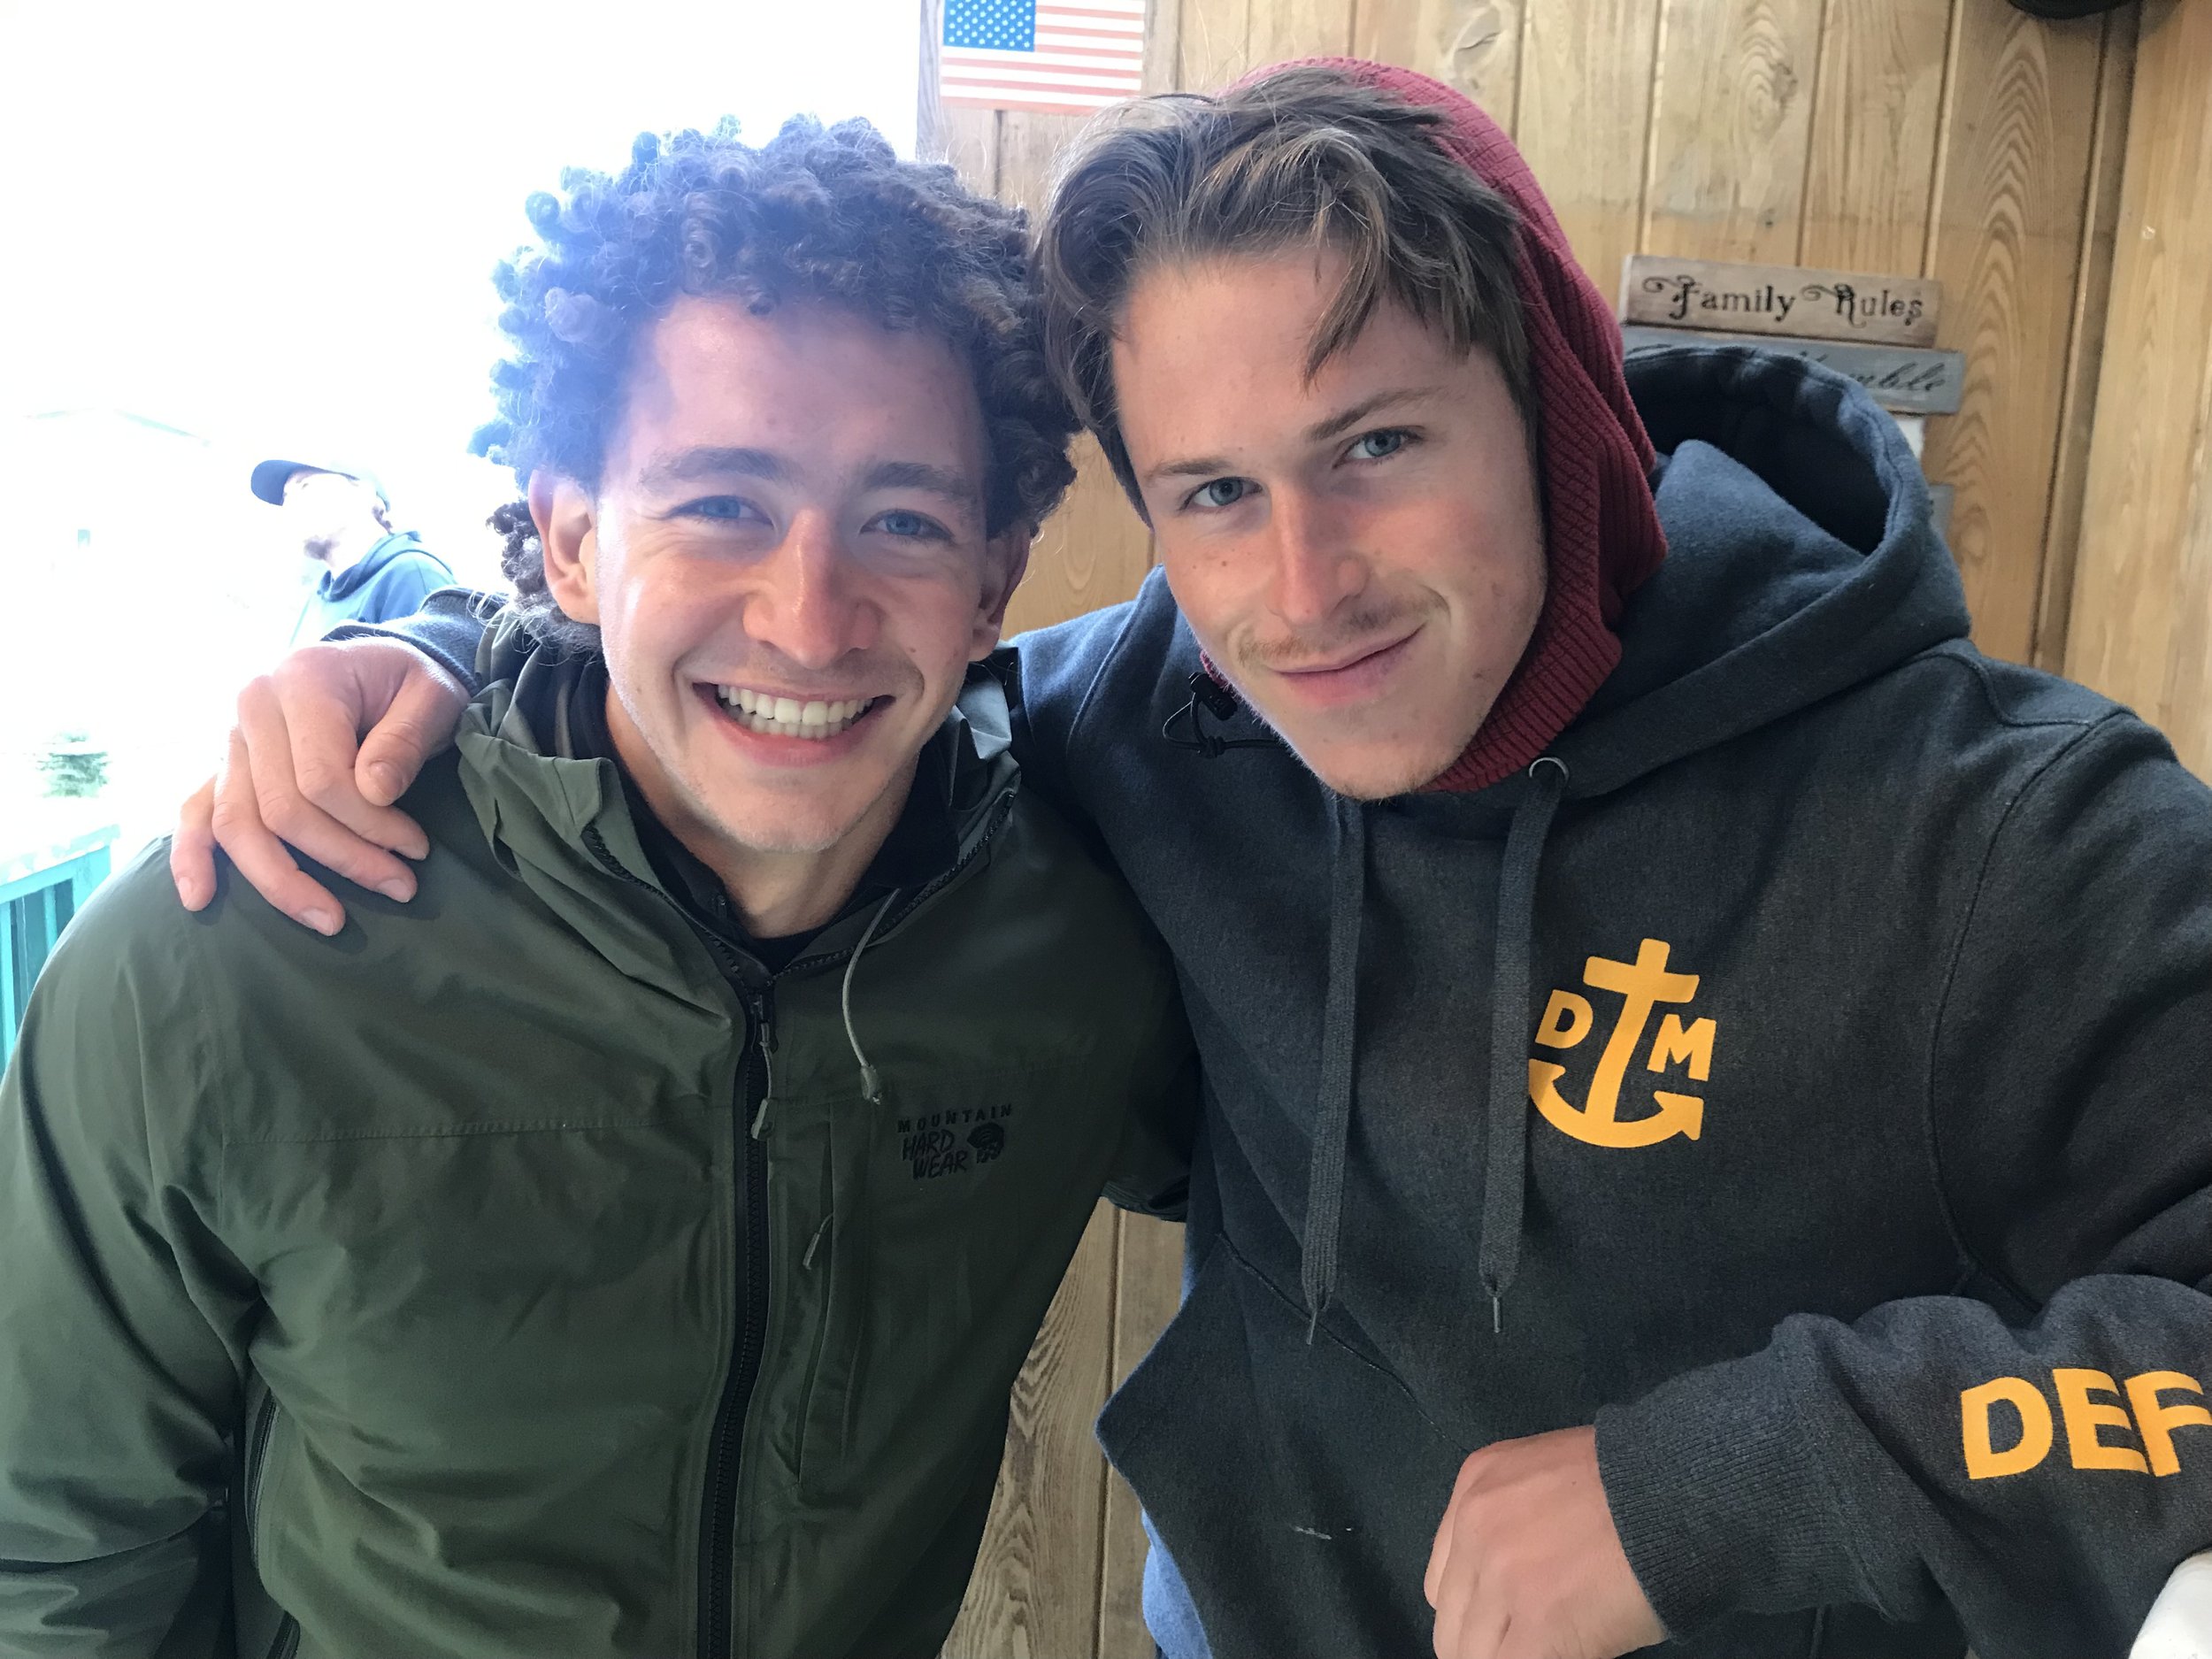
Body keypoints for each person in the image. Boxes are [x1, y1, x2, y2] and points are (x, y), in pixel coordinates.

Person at [169, 62, 2212, 1659]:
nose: (1299, 587)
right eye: (1212, 493)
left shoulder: (2008, 831)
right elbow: (801, 680)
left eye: (1376, 446)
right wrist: (431, 649)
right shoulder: (1152, 717)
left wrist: (1714, 1484)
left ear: (1560, 415)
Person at [0, 118, 1191, 1659]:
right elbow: (49, 1557)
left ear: (993, 579)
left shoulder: (1080, 939)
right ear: (570, 539)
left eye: (902, 520)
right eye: (722, 505)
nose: (811, 617)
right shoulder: (221, 954)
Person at [250, 455, 454, 643]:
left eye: (305, 485)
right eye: (286, 497)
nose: (289, 506)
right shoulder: (317, 601)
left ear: (365, 491)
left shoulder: (413, 576)